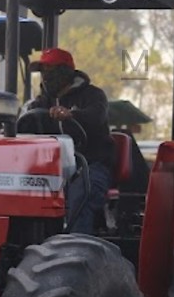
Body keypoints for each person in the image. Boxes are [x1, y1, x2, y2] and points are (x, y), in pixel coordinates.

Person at [23, 48, 114, 235]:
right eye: (42, 71)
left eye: (50, 70)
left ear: (65, 72)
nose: (45, 76)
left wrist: (72, 115)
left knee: (81, 194)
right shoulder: (40, 103)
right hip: (50, 168)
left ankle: (76, 244)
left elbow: (96, 117)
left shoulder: (93, 96)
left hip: (90, 165)